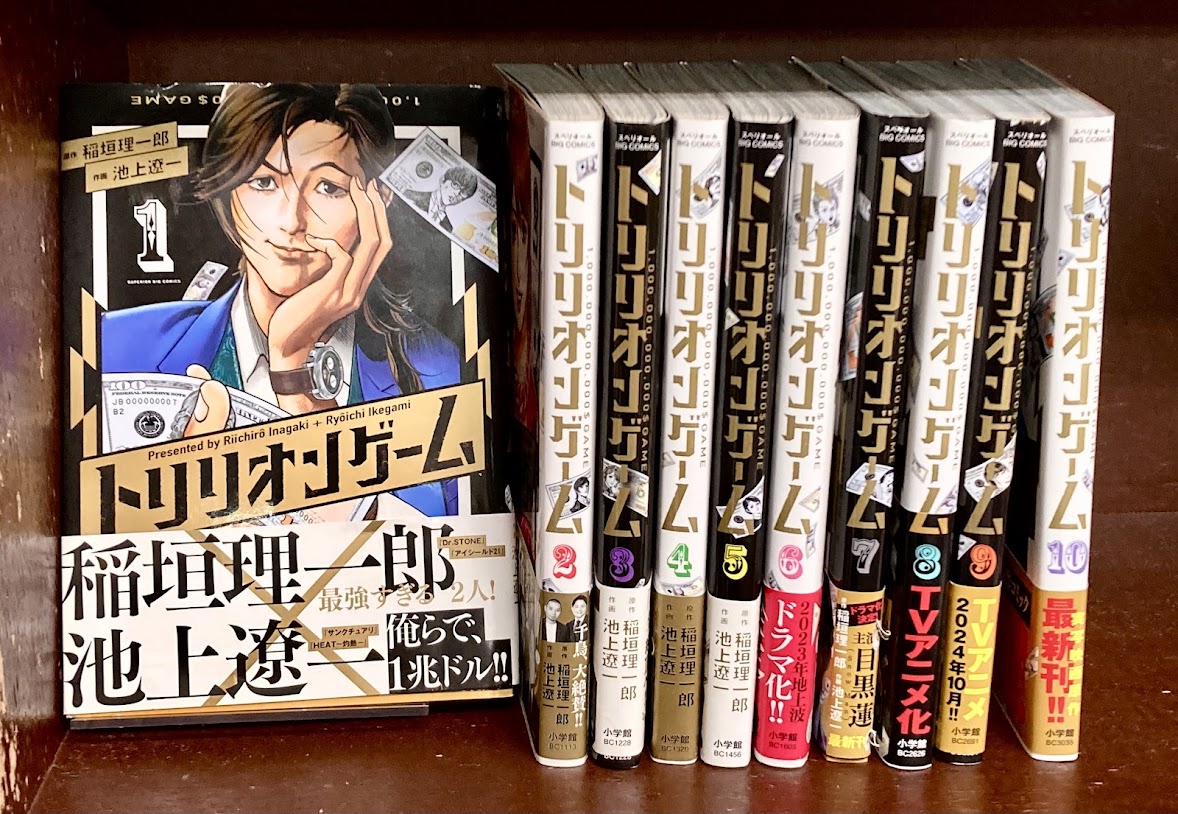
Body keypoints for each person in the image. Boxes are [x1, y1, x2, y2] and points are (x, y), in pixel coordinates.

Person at [101, 84, 462, 516]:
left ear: (378, 202)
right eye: (264, 182)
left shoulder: (439, 367)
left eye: (328, 187)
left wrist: (293, 371)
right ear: (228, 195)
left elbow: (447, 541)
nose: (292, 221)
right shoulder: (118, 344)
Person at [403, 166, 478, 233]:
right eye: (455, 185)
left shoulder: (448, 228)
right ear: (443, 180)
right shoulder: (410, 196)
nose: (456, 193)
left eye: (463, 193)